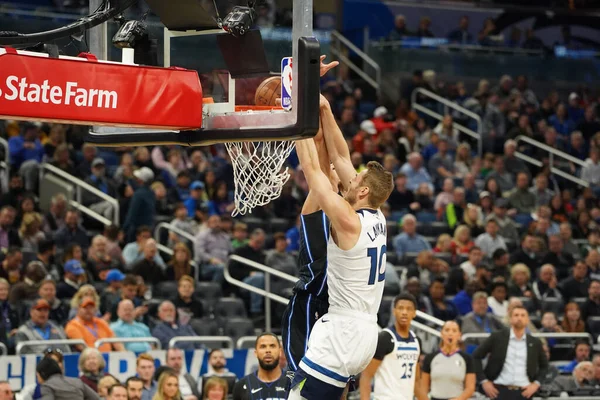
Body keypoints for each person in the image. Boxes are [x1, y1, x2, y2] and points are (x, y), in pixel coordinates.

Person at [288, 95, 394, 399]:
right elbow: (341, 157)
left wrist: (296, 113)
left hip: (343, 333)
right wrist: (322, 107)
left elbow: (312, 169)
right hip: (364, 333)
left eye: (356, 179)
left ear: (361, 190)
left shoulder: (348, 221)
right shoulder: (377, 215)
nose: (350, 176)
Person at [359, 293, 426, 400]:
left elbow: (416, 381)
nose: (404, 312)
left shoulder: (417, 340)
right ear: (394, 311)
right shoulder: (385, 337)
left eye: (408, 309)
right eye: (400, 308)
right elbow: (366, 376)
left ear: (414, 313)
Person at [472, 306, 548, 400]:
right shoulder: (497, 337)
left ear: (527, 320)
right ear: (510, 319)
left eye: (522, 315)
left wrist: (536, 384)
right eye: (516, 315)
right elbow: (475, 356)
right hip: (498, 391)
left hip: (524, 392)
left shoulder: (535, 342)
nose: (519, 318)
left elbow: (544, 366)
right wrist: (484, 381)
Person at [422, 321, 476, 400]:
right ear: (441, 334)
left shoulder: (467, 359)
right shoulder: (430, 358)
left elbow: (470, 388)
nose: (450, 333)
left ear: (459, 335)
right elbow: (424, 387)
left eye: (454, 331)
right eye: (447, 330)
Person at [232, 333, 288, 400]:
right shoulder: (241, 386)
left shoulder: (292, 384)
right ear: (256, 353)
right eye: (263, 346)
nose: (268, 350)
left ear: (280, 352)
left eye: (272, 346)